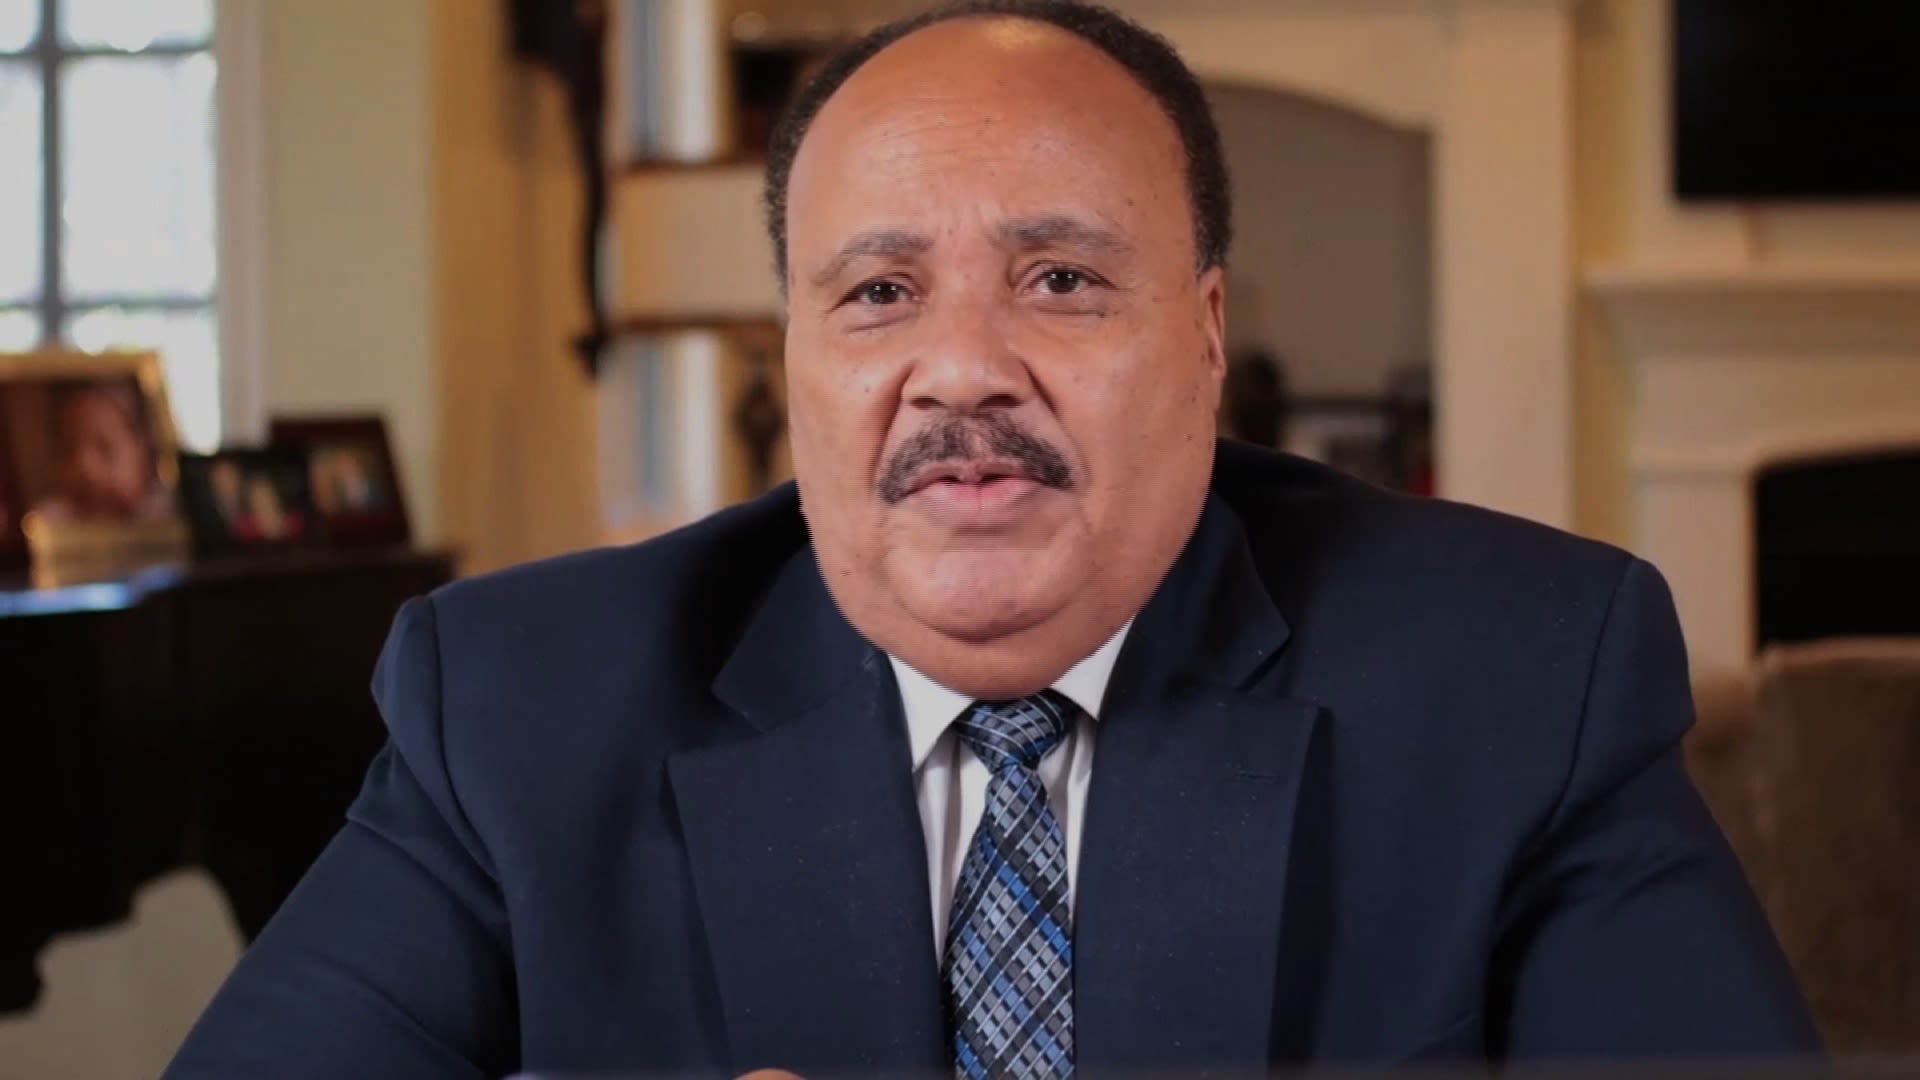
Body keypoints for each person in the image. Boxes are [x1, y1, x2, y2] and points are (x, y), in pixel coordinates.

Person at [167, 1, 1820, 1076]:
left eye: (1062, 279)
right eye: (880, 292)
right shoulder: (518, 708)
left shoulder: (1523, 679)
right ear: (795, 357)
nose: (961, 367)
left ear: (1206, 336)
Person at [31, 378, 172, 525]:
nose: (85, 468)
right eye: (67, 449)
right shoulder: (54, 521)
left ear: (144, 450)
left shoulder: (166, 514)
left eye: (104, 448)